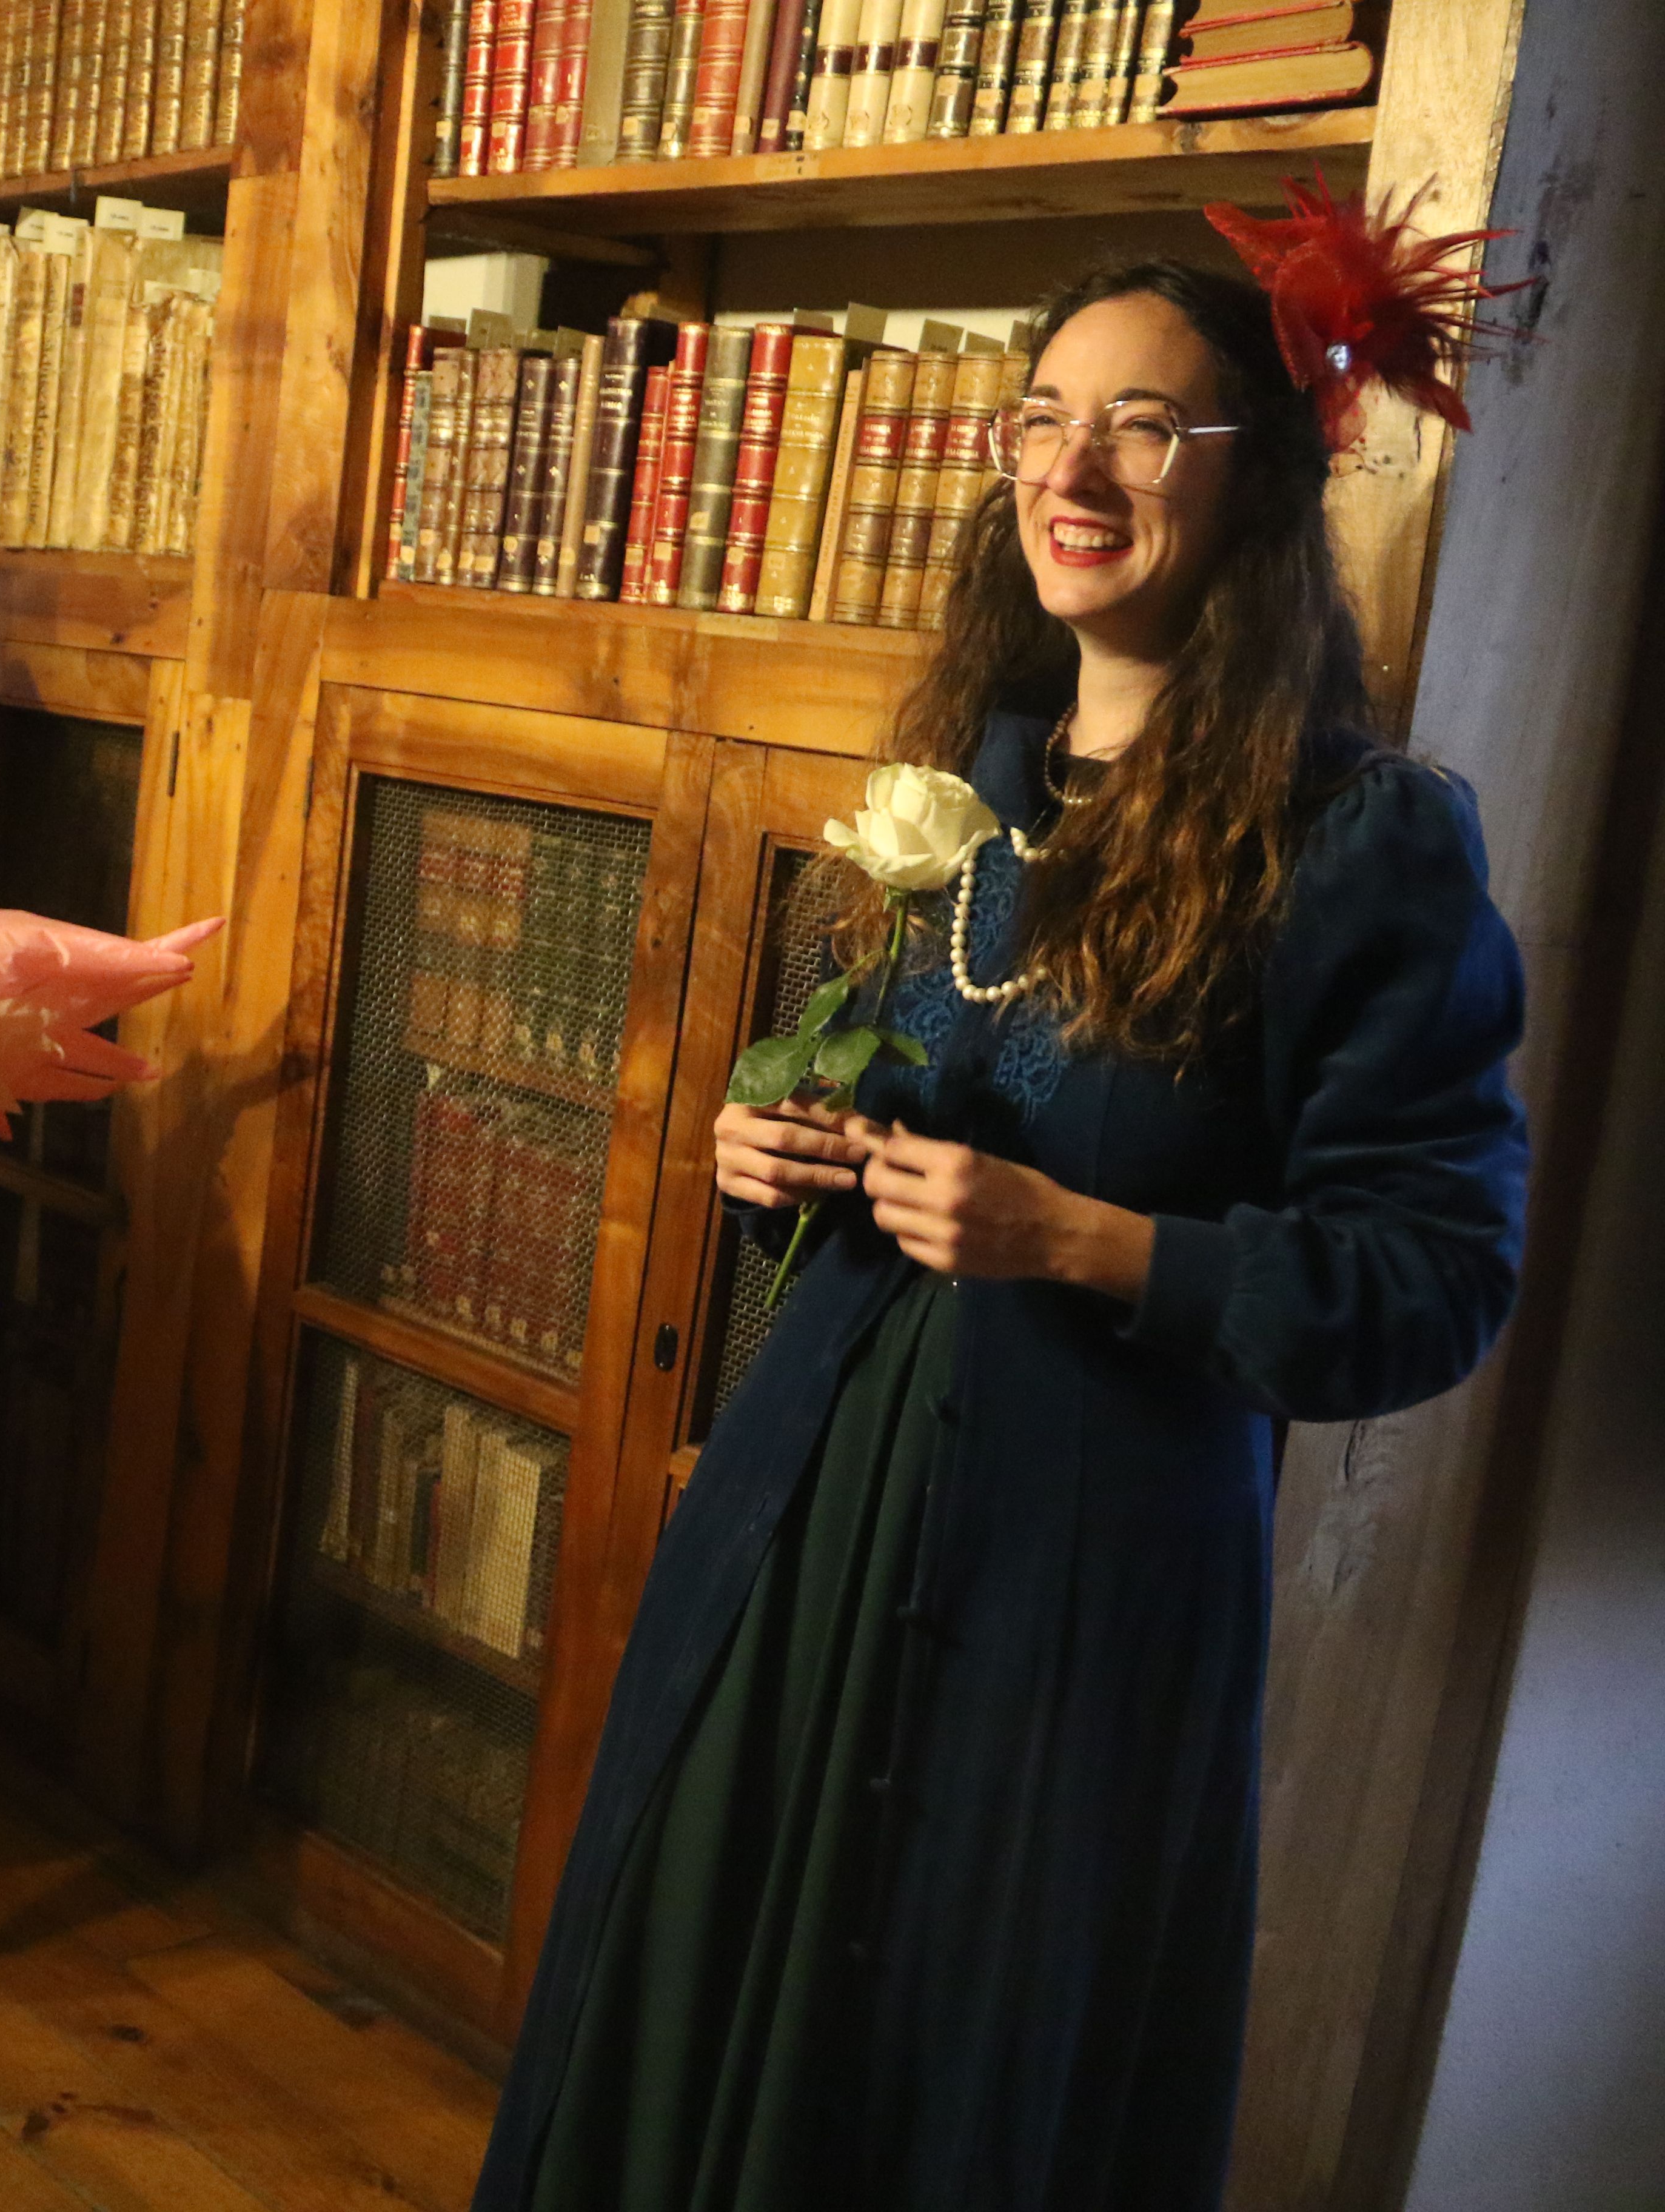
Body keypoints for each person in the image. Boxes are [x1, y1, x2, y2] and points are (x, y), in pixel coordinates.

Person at [473, 257, 1531, 2211]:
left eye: (1144, 421)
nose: (1079, 465)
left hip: (1082, 1593)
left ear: (1262, 479)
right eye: (1045, 416)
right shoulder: (970, 792)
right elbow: (924, 1110)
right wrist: (777, 1146)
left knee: (964, 2070)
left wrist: (1091, 1241)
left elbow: (1436, 1279)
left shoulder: (1364, 847)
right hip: (805, 1529)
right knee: (701, 2013)